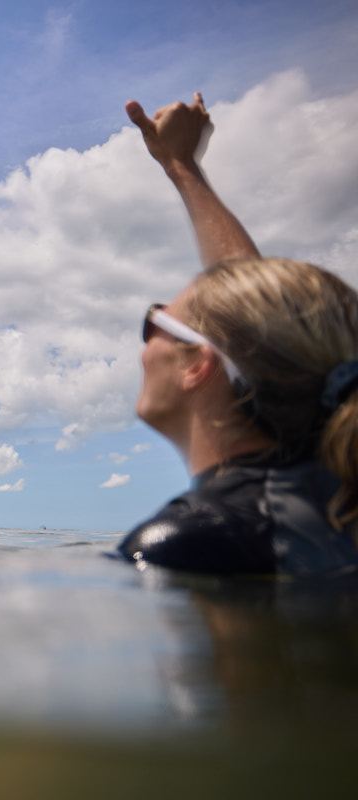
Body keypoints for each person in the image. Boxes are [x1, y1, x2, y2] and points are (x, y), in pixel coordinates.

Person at [116, 92, 358, 576]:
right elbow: (265, 323)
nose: (142, 350)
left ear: (198, 364)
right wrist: (181, 166)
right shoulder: (334, 498)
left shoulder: (190, 541)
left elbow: (254, 323)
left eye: (153, 324)